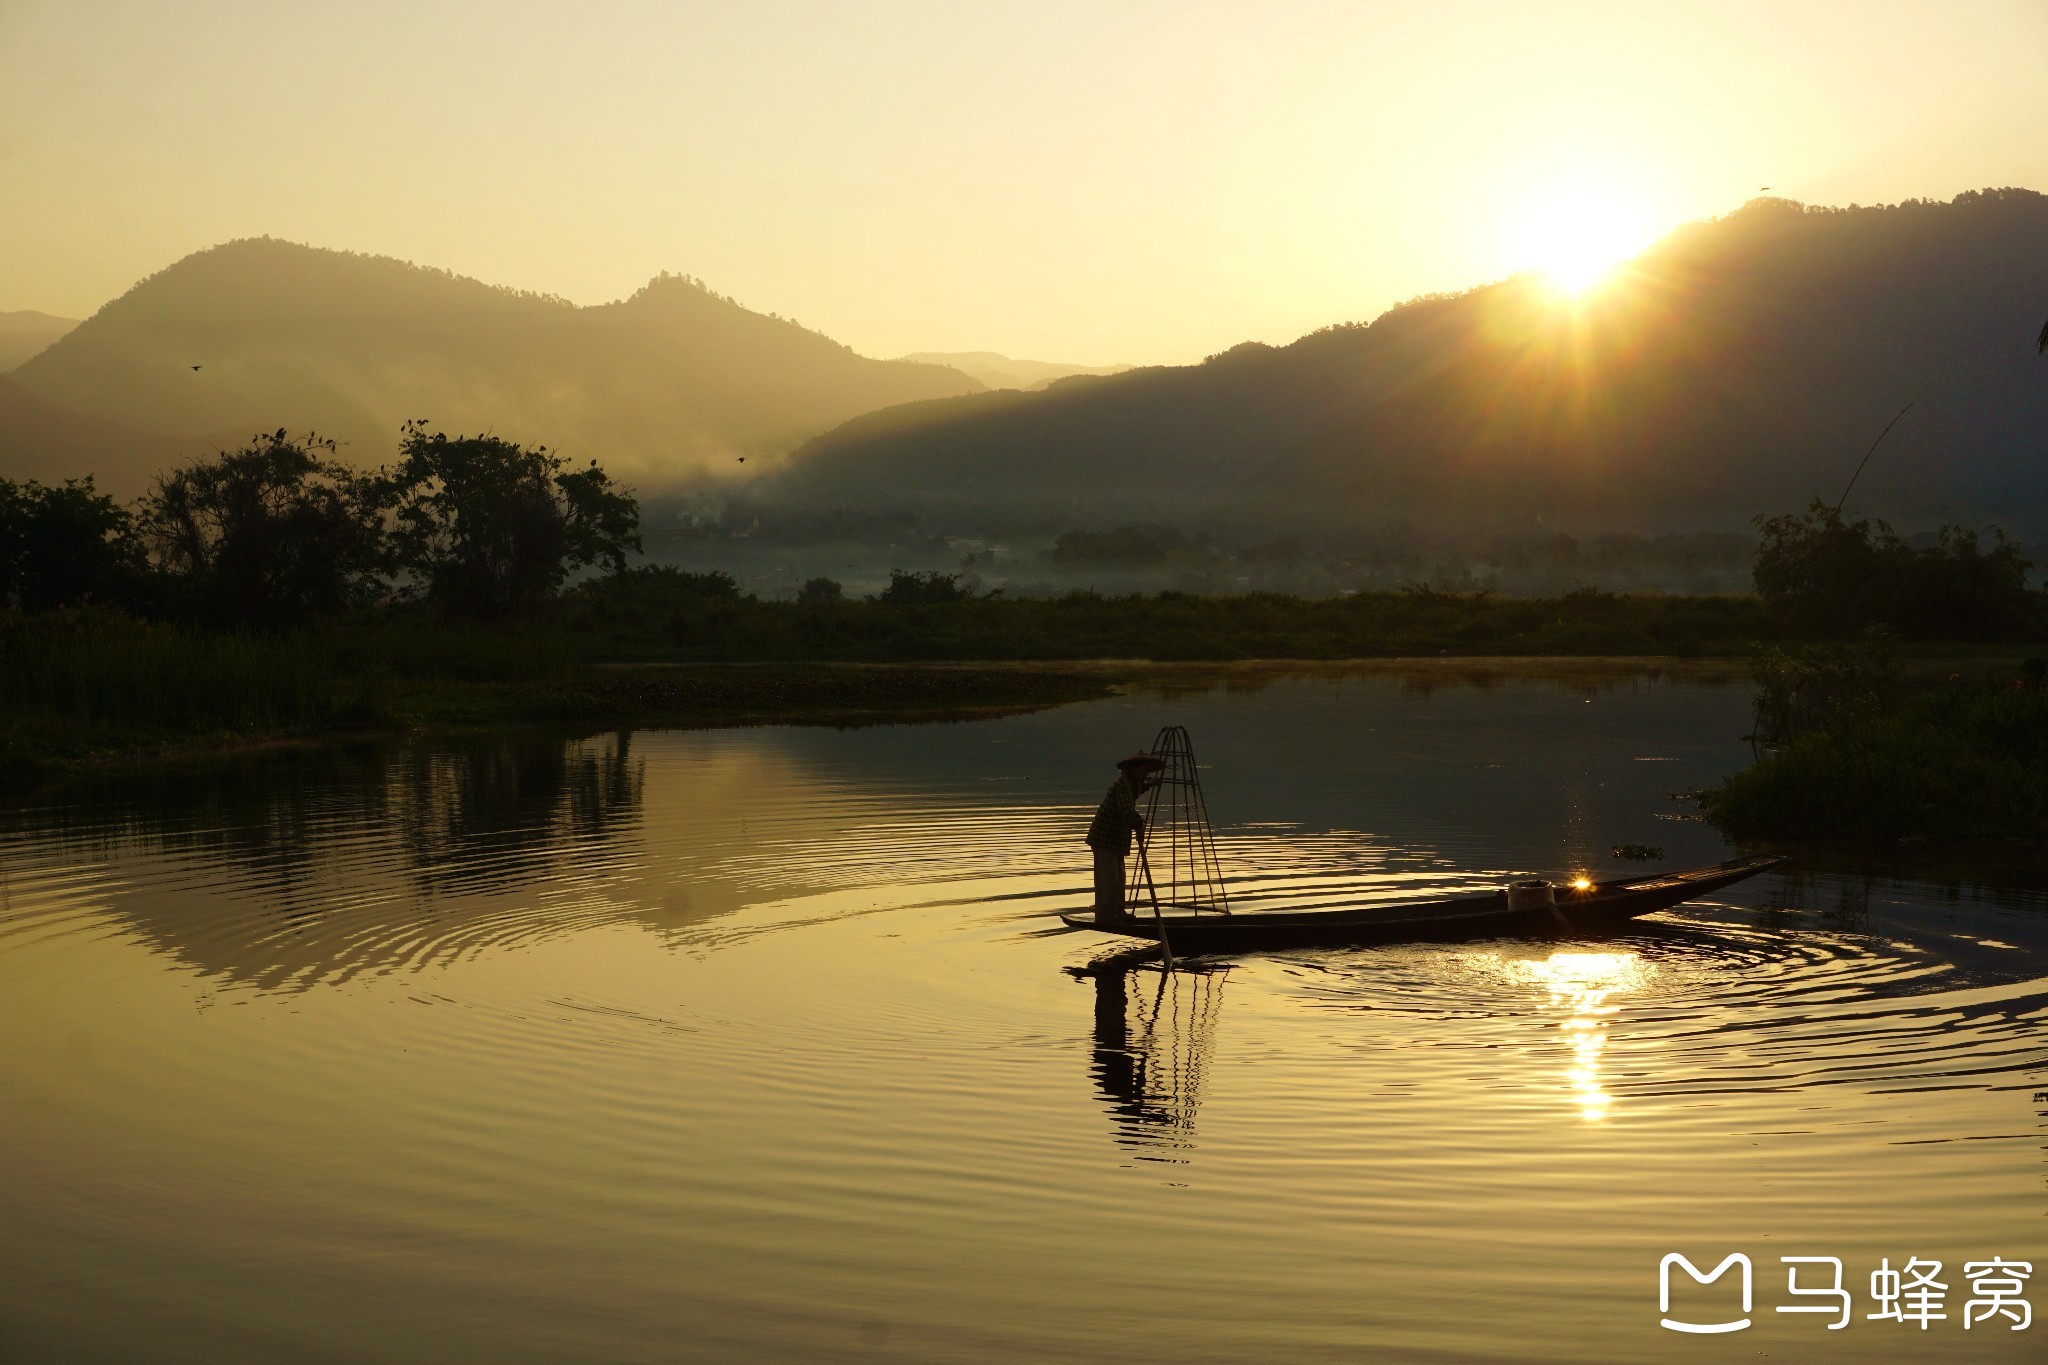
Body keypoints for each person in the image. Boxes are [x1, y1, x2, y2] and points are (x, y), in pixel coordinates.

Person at [1086, 752, 1164, 922]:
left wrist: (1150, 784)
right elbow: (1126, 810)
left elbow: (1138, 789)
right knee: (1108, 881)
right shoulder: (1121, 786)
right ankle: (1106, 916)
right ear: (1134, 769)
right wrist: (1139, 824)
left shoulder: (1130, 784)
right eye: (1144, 770)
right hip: (1104, 840)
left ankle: (1118, 913)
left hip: (1116, 841)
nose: (1146, 774)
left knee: (1119, 879)